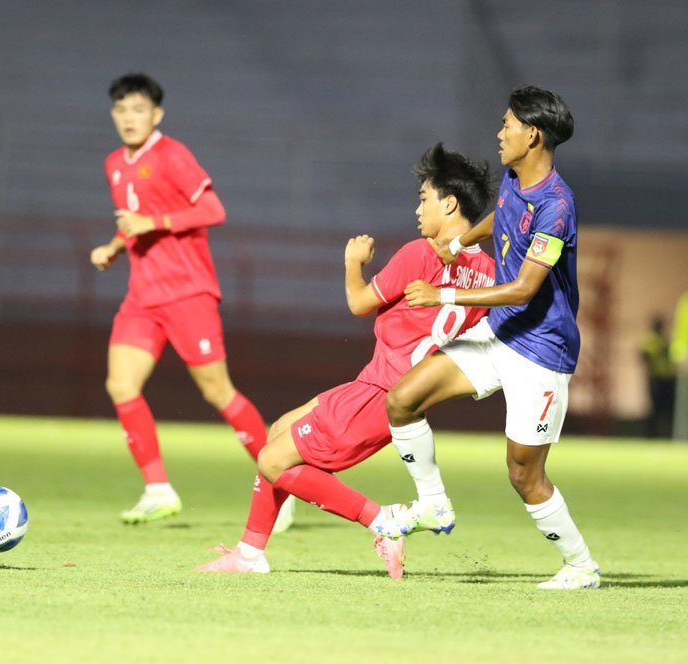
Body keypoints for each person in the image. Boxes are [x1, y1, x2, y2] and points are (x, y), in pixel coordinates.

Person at [195, 144, 496, 577]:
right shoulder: (485, 271)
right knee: (279, 430)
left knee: (273, 461)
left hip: (379, 393)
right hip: (398, 394)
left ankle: (381, 520)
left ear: (449, 203)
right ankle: (250, 550)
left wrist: (352, 262)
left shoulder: (420, 252)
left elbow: (358, 302)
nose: (418, 209)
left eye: (424, 198)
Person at [380, 85, 601, 590]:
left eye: (507, 125)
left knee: (523, 476)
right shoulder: (512, 177)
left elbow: (525, 287)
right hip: (498, 335)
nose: (499, 133)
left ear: (533, 135)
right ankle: (433, 503)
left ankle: (580, 565)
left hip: (542, 352)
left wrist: (445, 298)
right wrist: (457, 242)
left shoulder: (557, 207)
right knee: (403, 399)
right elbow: (500, 216)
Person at [90, 73, 293, 528]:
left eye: (138, 109)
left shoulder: (173, 155)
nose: (129, 118)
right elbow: (133, 221)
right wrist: (114, 246)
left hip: (187, 293)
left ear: (156, 114)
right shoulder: (114, 164)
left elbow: (213, 211)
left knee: (217, 391)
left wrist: (152, 223)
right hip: (142, 297)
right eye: (121, 110)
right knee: (121, 385)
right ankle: (158, 489)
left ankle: (282, 482)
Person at [641, 316, 675, 438]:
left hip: (664, 377)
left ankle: (662, 433)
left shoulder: (660, 340)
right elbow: (644, 355)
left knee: (661, 408)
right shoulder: (653, 341)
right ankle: (652, 434)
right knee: (656, 408)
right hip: (656, 378)